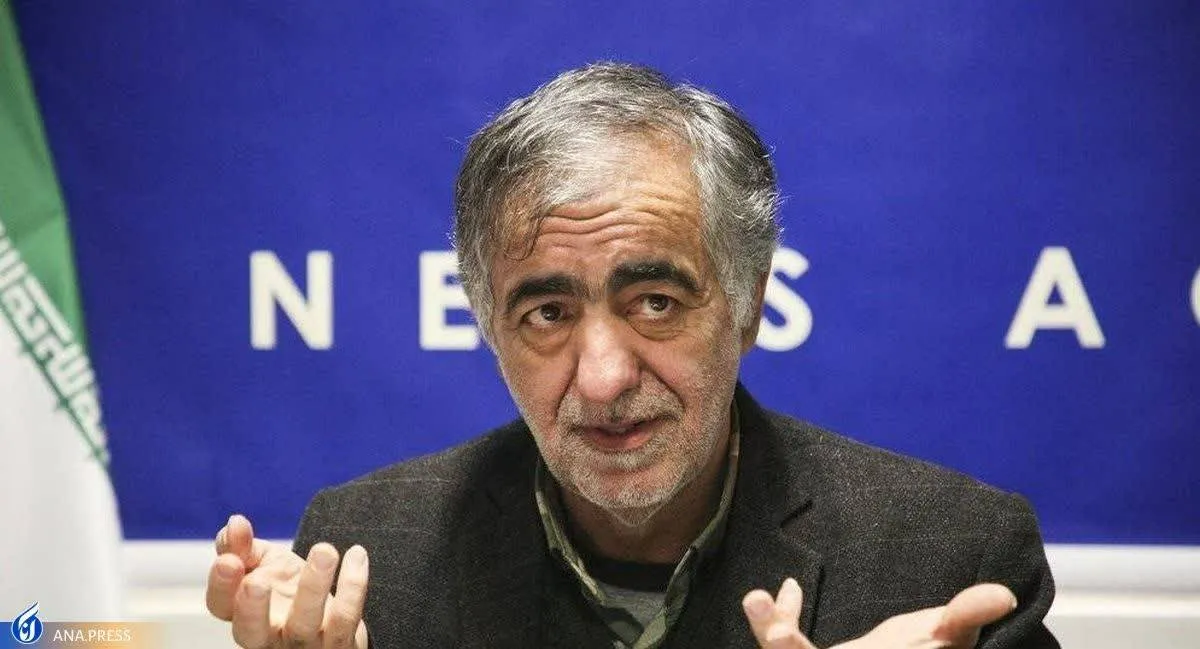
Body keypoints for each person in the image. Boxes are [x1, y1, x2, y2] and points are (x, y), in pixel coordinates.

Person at [205, 63, 1059, 648]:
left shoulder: (948, 565)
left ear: (749, 304)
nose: (605, 377)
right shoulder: (362, 561)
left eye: (656, 302)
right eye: (547, 312)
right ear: (490, 330)